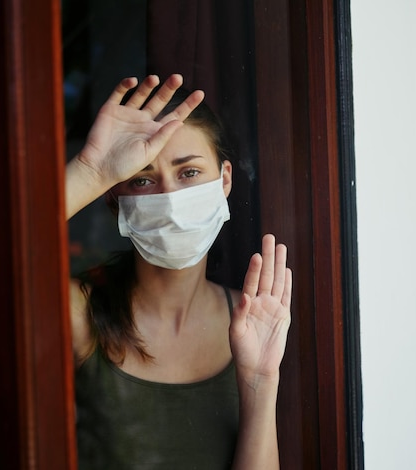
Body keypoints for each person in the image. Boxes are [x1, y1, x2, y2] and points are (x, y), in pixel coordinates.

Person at [66, 74, 292, 469]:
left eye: (188, 172)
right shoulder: (82, 314)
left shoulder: (254, 324)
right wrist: (90, 171)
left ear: (224, 180)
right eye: (142, 179)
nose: (169, 197)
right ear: (114, 200)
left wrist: (259, 382)